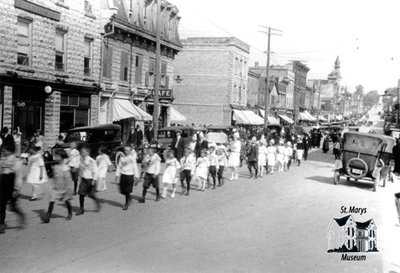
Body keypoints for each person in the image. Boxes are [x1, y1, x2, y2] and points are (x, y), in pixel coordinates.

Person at [41, 149, 73, 223]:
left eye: (57, 156)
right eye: (55, 155)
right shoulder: (55, 166)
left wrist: (67, 189)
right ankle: (47, 217)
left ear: (61, 157)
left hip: (64, 188)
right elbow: (54, 177)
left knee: (66, 200)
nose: (55, 157)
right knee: (51, 201)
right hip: (56, 188)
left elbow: (68, 180)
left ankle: (70, 212)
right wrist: (52, 184)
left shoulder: (65, 168)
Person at [0, 144, 25, 234]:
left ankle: (21, 216)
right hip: (3, 183)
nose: (2, 152)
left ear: (10, 151)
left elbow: (18, 176)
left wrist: (16, 188)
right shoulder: (2, 160)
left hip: (11, 183)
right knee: (1, 205)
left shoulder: (16, 161)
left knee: (12, 207)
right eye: (2, 151)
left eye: (4, 151)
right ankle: (1, 225)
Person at [76, 145, 101, 216]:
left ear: (87, 153)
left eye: (83, 152)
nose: (81, 153)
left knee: (90, 194)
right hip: (84, 179)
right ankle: (81, 209)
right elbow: (80, 169)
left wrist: (94, 179)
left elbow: (96, 171)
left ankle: (97, 202)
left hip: (90, 180)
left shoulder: (91, 161)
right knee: (81, 194)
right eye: (81, 152)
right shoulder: (81, 160)